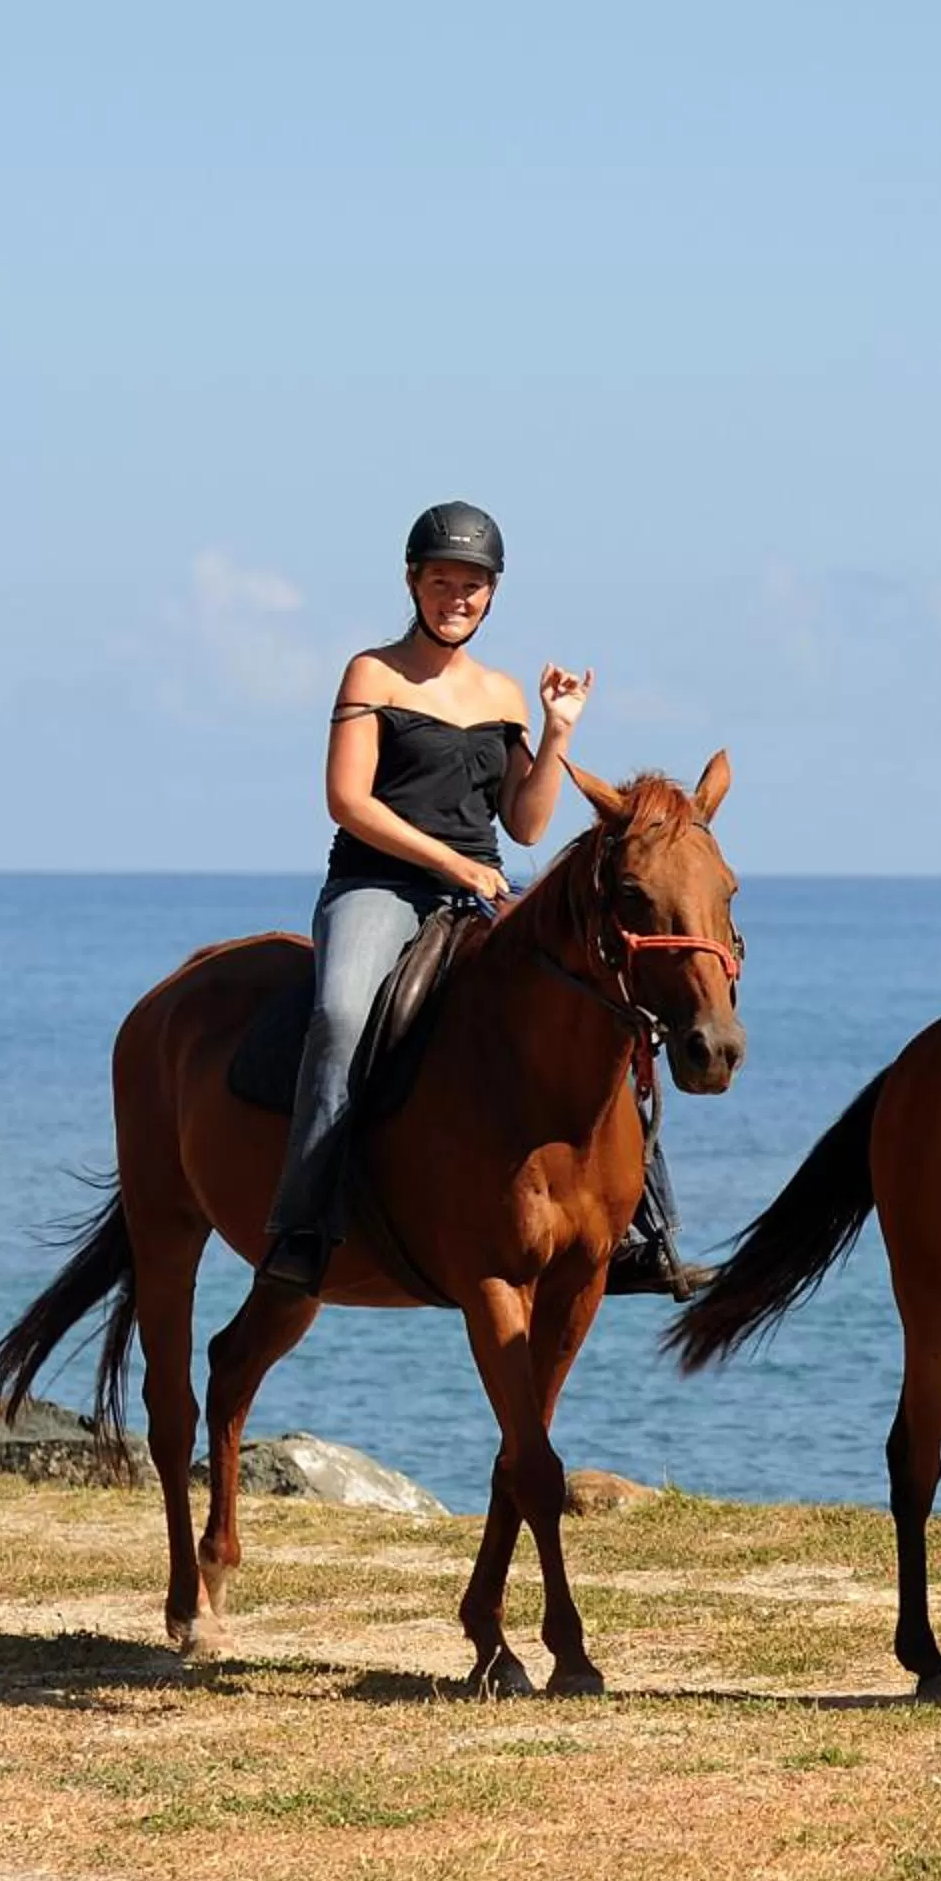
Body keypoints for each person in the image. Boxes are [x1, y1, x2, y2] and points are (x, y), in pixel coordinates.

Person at [253, 500, 698, 1299]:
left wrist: (558, 732)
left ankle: (643, 1231)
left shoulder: (502, 693)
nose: (455, 597)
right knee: (343, 1014)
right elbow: (348, 801)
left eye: (471, 585)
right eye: (441, 581)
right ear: (413, 583)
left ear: (491, 595)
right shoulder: (372, 672)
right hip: (378, 885)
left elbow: (527, 823)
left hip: (485, 886)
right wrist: (450, 867)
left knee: (606, 999)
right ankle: (305, 1224)